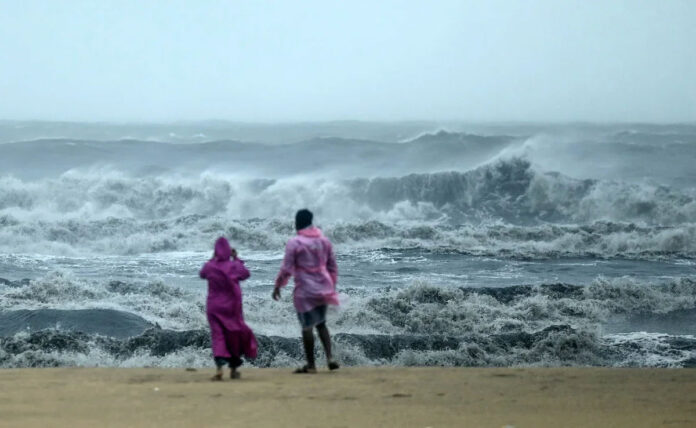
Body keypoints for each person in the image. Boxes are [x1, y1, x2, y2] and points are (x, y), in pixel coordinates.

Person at [273, 209, 340, 373]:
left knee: (307, 327)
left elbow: (287, 269)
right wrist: (331, 285)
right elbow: (332, 266)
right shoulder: (324, 241)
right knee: (322, 324)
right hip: (324, 287)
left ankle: (311, 365)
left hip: (305, 290)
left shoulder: (295, 243)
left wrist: (278, 286)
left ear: (297, 223)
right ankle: (330, 357)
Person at [200, 237, 258, 380]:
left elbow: (202, 274)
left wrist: (213, 259)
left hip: (214, 307)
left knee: (218, 336)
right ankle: (233, 370)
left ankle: (219, 368)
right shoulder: (234, 266)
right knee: (234, 336)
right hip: (232, 308)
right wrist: (236, 258)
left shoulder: (210, 266)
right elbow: (246, 274)